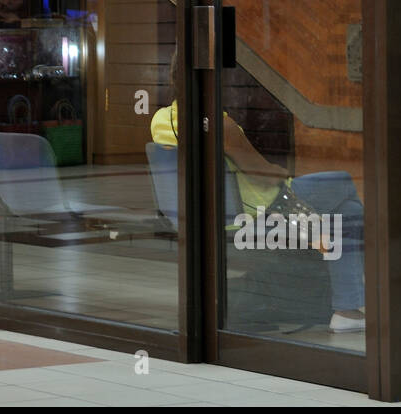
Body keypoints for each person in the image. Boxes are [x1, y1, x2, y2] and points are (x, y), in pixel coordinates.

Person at [150, 60, 365, 333]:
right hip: (259, 210)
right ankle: (348, 305)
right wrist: (279, 169)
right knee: (345, 188)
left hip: (206, 215)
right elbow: (261, 175)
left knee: (345, 212)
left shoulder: (160, 120)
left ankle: (347, 301)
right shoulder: (221, 125)